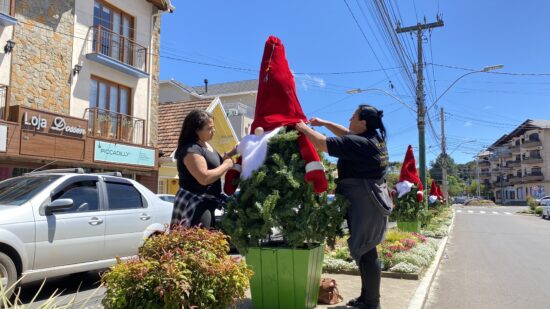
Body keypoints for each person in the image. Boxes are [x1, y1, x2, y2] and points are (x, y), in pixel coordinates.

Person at [296, 104, 392, 309]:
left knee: (367, 250)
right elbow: (347, 133)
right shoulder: (373, 138)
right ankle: (366, 298)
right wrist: (324, 123)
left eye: (352, 116)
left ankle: (372, 302)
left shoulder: (362, 144)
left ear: (363, 123)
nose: (349, 119)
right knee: (366, 249)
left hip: (366, 199)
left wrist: (302, 128)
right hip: (369, 197)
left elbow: (322, 144)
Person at [171, 110, 234, 228]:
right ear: (196, 130)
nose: (213, 131)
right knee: (196, 244)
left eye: (213, 127)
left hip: (207, 203)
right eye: (209, 128)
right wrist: (226, 165)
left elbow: (216, 164)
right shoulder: (191, 150)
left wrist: (233, 152)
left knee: (205, 243)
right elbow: (204, 178)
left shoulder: (206, 146)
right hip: (195, 204)